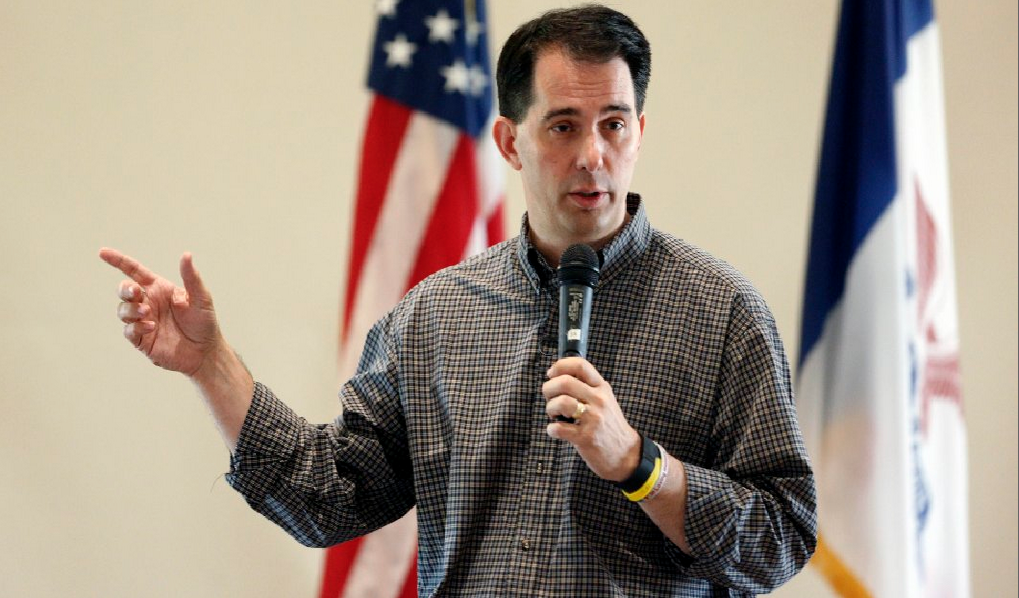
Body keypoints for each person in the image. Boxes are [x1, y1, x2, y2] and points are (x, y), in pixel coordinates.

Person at [100, 5, 816, 596]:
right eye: (563, 125)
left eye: (614, 124)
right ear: (509, 142)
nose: (592, 155)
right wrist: (211, 365)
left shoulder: (722, 312)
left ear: (639, 133)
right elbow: (328, 497)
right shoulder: (434, 316)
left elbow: (781, 539)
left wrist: (639, 463)